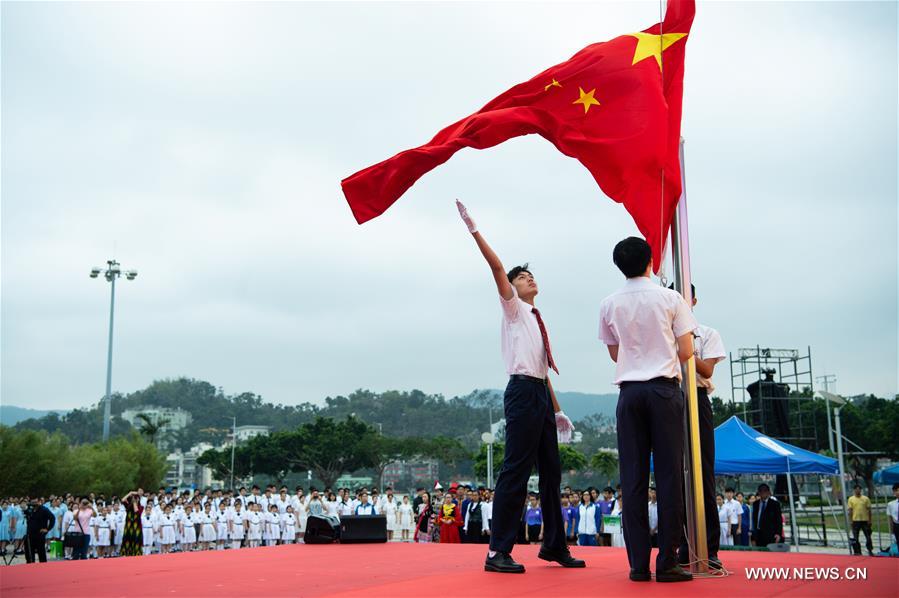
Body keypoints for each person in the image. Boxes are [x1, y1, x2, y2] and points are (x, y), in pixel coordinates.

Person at [456, 200, 582, 574]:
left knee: (552, 472)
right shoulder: (512, 309)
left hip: (540, 394)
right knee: (515, 469)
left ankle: (555, 546)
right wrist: (474, 229)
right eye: (522, 276)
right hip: (522, 394)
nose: (529, 279)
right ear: (511, 287)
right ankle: (498, 551)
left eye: (531, 275)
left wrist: (557, 408)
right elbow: (496, 267)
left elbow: (544, 370)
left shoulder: (536, 316)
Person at [599, 236, 697, 583]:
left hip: (629, 393)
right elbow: (686, 351)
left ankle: (638, 563)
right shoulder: (671, 298)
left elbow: (614, 353)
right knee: (670, 476)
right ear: (650, 261)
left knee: (633, 478)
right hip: (663, 390)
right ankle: (668, 561)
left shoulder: (609, 303)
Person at [669, 283, 725, 568]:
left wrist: (685, 343)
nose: (679, 301)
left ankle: (710, 548)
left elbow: (707, 369)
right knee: (675, 476)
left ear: (693, 300)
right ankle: (679, 547)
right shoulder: (662, 333)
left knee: (703, 473)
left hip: (699, 398)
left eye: (684, 296)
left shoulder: (708, 333)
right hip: (671, 397)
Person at [23, 498, 55, 564]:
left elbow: (52, 518)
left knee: (41, 553)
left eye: (35, 502)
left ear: (39, 502)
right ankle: (30, 566)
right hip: (30, 534)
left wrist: (47, 529)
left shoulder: (44, 510)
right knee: (29, 553)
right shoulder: (30, 509)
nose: (34, 504)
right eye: (32, 502)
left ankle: (43, 567)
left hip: (40, 534)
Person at [847, 484, 874, 556]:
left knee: (868, 536)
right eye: (856, 489)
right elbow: (850, 510)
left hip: (865, 520)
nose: (857, 491)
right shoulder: (851, 499)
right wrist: (850, 520)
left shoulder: (866, 499)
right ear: (854, 490)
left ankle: (870, 550)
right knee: (855, 537)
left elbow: (869, 510)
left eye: (859, 489)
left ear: (861, 490)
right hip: (855, 520)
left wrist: (870, 520)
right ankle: (857, 551)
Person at [887, 483, 899, 549]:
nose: (898, 492)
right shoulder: (891, 504)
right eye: (896, 490)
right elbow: (890, 518)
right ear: (894, 492)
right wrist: (891, 531)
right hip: (897, 526)